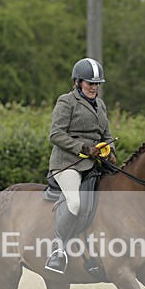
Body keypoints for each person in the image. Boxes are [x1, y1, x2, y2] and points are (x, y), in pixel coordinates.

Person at [45, 57, 116, 274]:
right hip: (69, 164)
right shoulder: (66, 102)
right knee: (75, 203)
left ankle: (95, 253)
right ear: (77, 82)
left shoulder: (100, 105)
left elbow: (106, 134)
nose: (94, 87)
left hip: (94, 164)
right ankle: (57, 250)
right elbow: (55, 134)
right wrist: (84, 148)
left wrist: (111, 152)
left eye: (97, 84)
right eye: (89, 83)